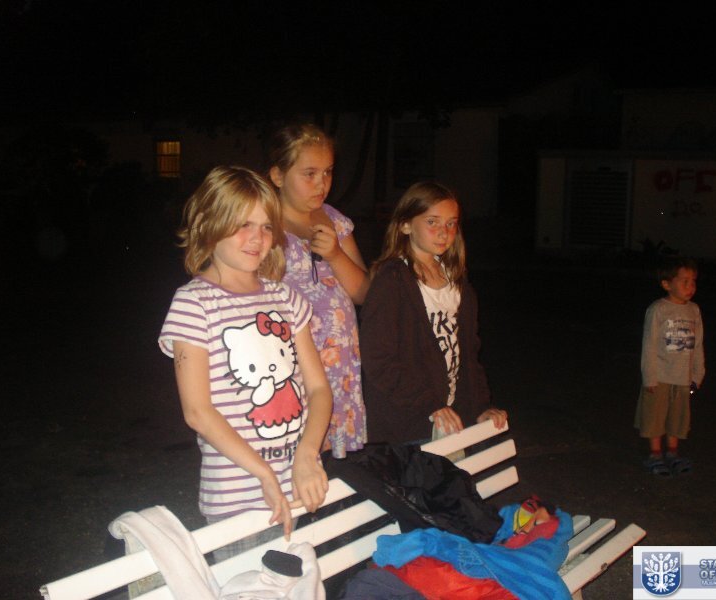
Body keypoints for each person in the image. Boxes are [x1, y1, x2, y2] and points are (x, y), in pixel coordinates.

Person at [158, 166, 332, 550]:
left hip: (302, 485)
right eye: (242, 225)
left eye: (266, 226)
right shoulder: (193, 303)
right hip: (240, 501)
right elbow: (198, 412)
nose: (257, 238)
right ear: (208, 224)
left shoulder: (285, 297)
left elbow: (319, 389)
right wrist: (265, 474)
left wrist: (307, 455)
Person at [359, 181, 507, 445]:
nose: (443, 233)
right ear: (405, 225)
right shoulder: (392, 281)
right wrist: (429, 405)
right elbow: (378, 360)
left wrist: (481, 407)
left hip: (449, 418)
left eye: (451, 224)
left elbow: (469, 356)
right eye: (432, 222)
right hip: (407, 422)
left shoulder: (457, 282)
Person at [264, 123, 368, 459]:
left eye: (328, 172)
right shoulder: (264, 226)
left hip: (340, 368)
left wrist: (336, 255)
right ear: (278, 176)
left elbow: (363, 294)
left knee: (335, 466)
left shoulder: (335, 221)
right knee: (298, 456)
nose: (322, 184)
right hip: (292, 368)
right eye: (309, 174)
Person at [636, 256, 705, 476]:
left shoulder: (694, 310)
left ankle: (673, 453)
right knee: (655, 416)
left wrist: (697, 374)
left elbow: (698, 344)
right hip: (660, 375)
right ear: (667, 284)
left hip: (682, 377)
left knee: (678, 416)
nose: (690, 286)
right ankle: (655, 454)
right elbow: (649, 344)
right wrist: (649, 377)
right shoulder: (658, 309)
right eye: (684, 281)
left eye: (693, 281)